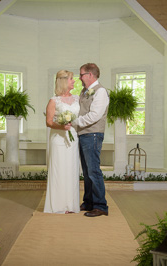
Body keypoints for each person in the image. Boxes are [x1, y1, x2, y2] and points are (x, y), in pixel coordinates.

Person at [73, 63, 109, 217]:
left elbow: (95, 115)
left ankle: (100, 206)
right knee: (87, 172)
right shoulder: (85, 91)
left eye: (81, 74)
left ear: (90, 75)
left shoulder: (100, 92)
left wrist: (75, 122)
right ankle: (89, 202)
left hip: (93, 135)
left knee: (94, 171)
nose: (79, 78)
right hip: (84, 134)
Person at [43, 70, 80, 214]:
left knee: (71, 170)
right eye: (71, 79)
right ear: (64, 81)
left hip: (73, 138)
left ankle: (70, 205)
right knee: (59, 170)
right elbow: (48, 122)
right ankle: (58, 206)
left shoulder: (77, 99)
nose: (74, 81)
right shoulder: (54, 100)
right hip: (58, 139)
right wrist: (61, 126)